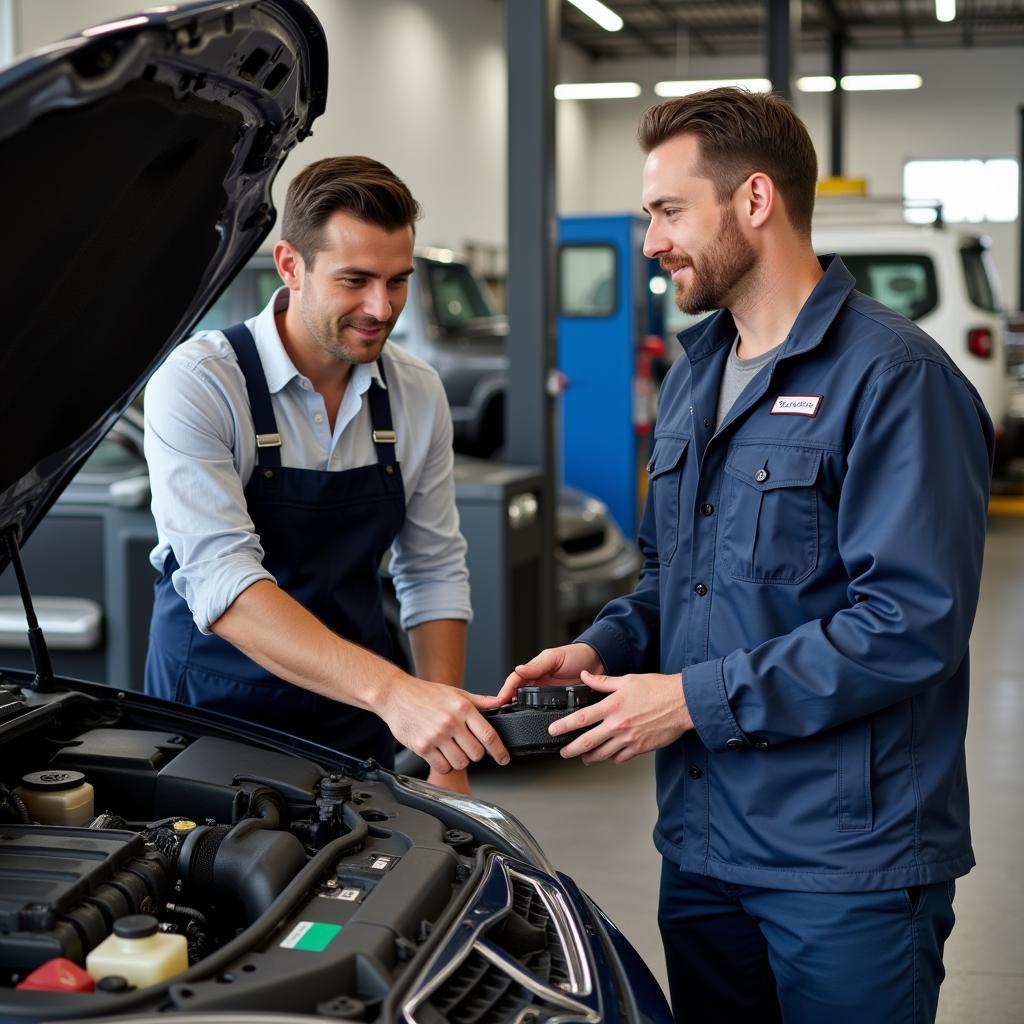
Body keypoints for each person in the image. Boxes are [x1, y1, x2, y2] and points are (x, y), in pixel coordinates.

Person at [488, 89, 993, 1021]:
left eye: (669, 211)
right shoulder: (694, 375)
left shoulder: (895, 381)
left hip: (848, 868)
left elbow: (909, 623)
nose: (651, 242)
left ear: (755, 200)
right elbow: (670, 577)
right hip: (705, 850)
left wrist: (688, 700)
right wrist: (604, 646)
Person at [144, 155, 508, 791]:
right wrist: (398, 693)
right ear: (291, 266)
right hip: (212, 715)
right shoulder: (201, 382)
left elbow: (432, 568)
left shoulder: (416, 392)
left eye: (398, 281)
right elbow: (223, 580)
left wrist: (445, 749)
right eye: (356, 280)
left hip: (355, 717)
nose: (381, 307)